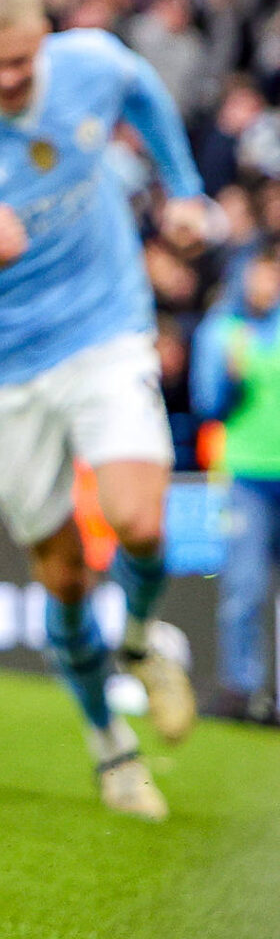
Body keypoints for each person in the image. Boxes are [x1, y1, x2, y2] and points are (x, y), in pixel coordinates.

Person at [0, 0, 207, 819]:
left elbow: (141, 86)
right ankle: (112, 750)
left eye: (24, 60)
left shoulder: (92, 63)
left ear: (47, 37)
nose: (14, 78)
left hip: (104, 325)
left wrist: (186, 187)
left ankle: (137, 640)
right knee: (62, 574)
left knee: (140, 520)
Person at [189, 249, 280, 725]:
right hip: (246, 473)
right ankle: (240, 689)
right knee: (245, 586)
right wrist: (232, 376)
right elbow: (207, 404)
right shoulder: (220, 331)